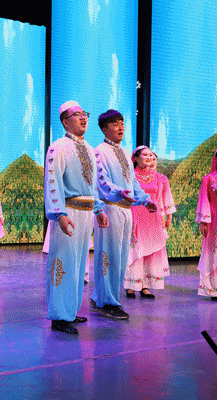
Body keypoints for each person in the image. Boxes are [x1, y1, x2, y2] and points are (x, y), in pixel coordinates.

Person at [44, 100, 108, 335]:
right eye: (77, 114)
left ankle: (69, 310)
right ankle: (59, 316)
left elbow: (94, 185)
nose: (83, 118)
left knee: (79, 265)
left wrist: (99, 209)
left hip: (86, 213)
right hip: (69, 210)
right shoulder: (58, 147)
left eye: (85, 114)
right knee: (63, 262)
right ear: (65, 121)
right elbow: (53, 181)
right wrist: (59, 213)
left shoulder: (89, 149)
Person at [91, 110, 157, 320]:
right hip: (111, 208)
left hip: (125, 210)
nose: (120, 127)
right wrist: (119, 193)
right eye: (115, 124)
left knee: (120, 258)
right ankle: (108, 302)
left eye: (122, 123)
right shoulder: (100, 151)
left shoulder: (124, 152)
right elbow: (101, 181)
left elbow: (132, 182)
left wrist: (144, 199)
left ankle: (101, 296)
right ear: (104, 129)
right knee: (108, 257)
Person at [125, 146, 176, 298]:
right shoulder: (130, 175)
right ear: (135, 158)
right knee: (135, 249)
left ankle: (145, 285)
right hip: (135, 215)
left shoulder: (158, 177)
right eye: (144, 155)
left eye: (150, 155)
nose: (148, 157)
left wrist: (167, 216)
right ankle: (131, 284)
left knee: (150, 251)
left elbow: (162, 198)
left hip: (152, 217)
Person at [196, 145, 217, 300]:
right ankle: (213, 288)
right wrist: (203, 221)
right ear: (216, 160)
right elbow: (204, 200)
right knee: (214, 253)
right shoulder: (209, 178)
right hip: (215, 221)